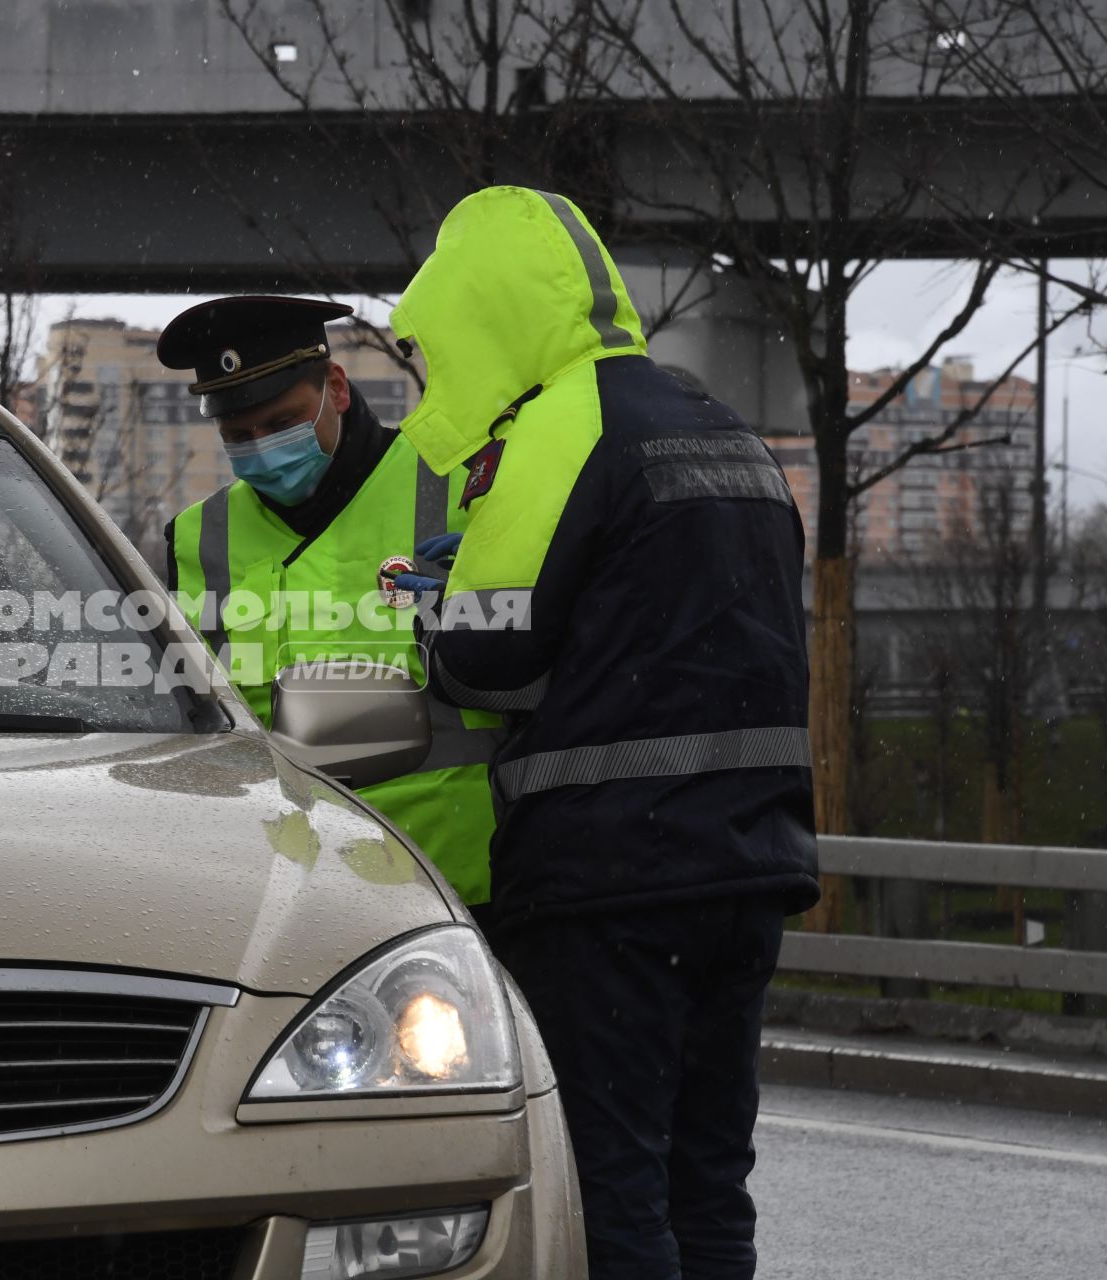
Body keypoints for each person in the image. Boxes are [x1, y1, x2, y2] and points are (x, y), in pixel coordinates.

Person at [387, 187, 821, 1279]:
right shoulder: (715, 422)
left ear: (481, 316)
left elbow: (492, 653)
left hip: (613, 881)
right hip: (750, 867)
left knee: (612, 1191)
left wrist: (433, 609)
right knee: (710, 1183)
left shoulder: (561, 422)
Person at [157, 295, 500, 905]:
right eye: (239, 434)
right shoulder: (195, 539)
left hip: (460, 880)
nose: (261, 447)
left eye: (282, 423)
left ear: (335, 388)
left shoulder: (456, 490)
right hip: (292, 894)